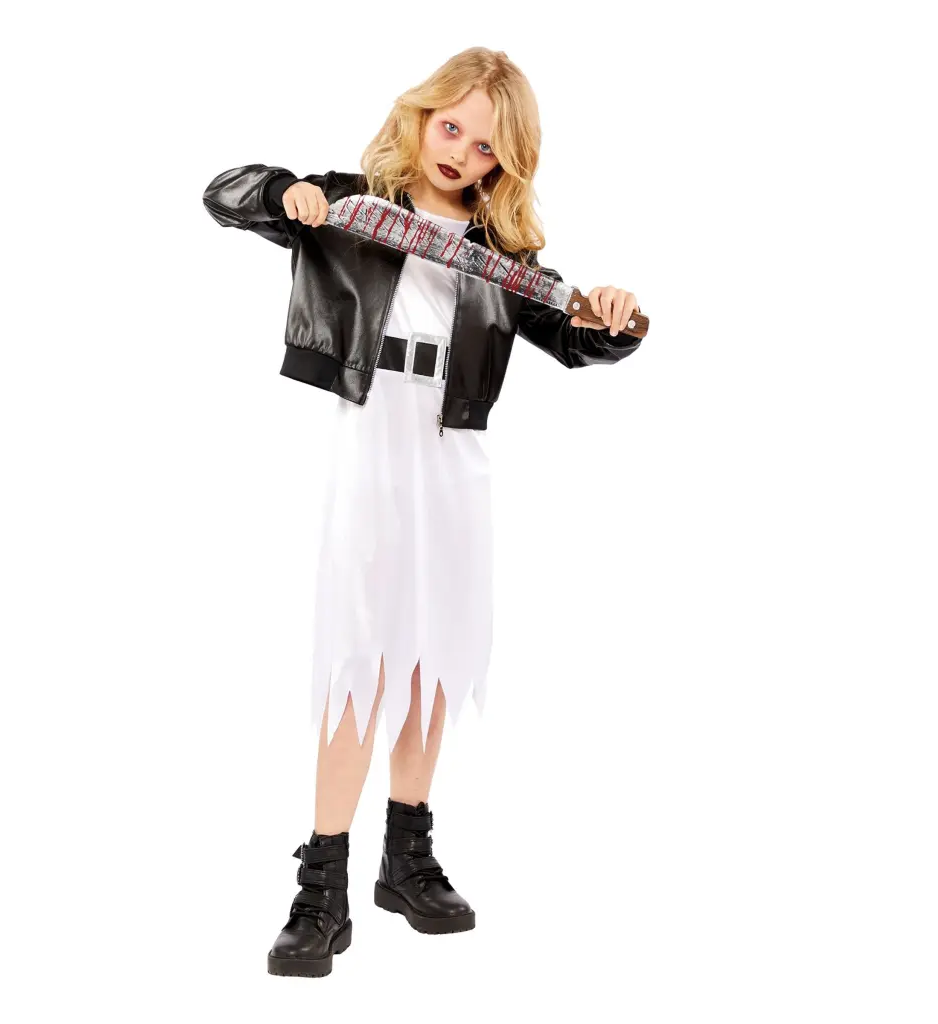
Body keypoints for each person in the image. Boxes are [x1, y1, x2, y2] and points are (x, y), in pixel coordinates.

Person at [202, 46, 644, 978]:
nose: (461, 154)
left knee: (437, 649)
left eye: (486, 147)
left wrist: (612, 319)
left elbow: (574, 338)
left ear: (505, 161)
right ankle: (321, 885)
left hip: (456, 449)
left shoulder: (502, 255)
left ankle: (407, 857)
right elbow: (226, 193)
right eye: (452, 128)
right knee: (355, 651)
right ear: (421, 115)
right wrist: (284, 193)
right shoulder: (350, 203)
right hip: (371, 435)